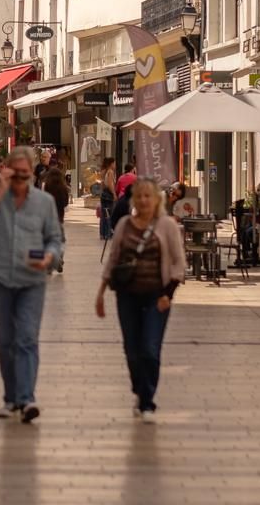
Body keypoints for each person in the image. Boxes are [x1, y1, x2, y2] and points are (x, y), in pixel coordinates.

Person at [0, 146, 64, 423]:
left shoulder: (44, 202)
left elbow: (55, 239)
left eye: (26, 174)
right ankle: (10, 398)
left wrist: (50, 257)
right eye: (17, 174)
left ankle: (26, 399)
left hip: (32, 281)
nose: (22, 180)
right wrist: (0, 192)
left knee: (26, 338)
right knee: (6, 342)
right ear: (7, 170)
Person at [95, 178, 186, 423]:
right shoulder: (125, 224)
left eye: (149, 196)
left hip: (158, 297)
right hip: (127, 296)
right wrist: (101, 292)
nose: (144, 200)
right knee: (132, 350)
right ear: (134, 199)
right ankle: (139, 388)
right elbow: (113, 259)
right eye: (140, 196)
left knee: (150, 349)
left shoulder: (167, 226)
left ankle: (147, 401)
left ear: (157, 199)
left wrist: (168, 293)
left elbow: (179, 263)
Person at [99, 157, 117, 241]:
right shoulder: (110, 172)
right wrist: (114, 194)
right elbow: (110, 184)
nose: (115, 165)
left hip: (103, 194)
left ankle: (102, 233)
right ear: (111, 164)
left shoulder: (103, 171)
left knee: (104, 214)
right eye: (114, 163)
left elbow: (102, 184)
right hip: (109, 195)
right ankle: (108, 233)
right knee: (109, 214)